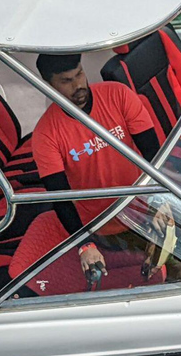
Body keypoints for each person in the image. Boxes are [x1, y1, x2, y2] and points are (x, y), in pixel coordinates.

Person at [32, 53, 171, 276]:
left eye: (79, 74)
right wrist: (85, 244)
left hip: (144, 204)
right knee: (170, 269)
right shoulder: (45, 135)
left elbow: (154, 155)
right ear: (48, 86)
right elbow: (60, 198)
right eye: (66, 81)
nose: (78, 85)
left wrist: (161, 200)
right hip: (103, 223)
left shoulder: (118, 94)